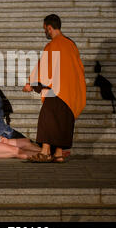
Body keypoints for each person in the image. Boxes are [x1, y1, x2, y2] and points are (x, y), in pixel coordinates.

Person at [23, 14, 86, 163]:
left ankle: (45, 152)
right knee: (63, 121)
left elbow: (45, 68)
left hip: (56, 91)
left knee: (47, 119)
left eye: (45, 29)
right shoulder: (71, 44)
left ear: (49, 28)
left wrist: (32, 84)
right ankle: (58, 154)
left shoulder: (53, 45)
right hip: (70, 91)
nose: (45, 32)